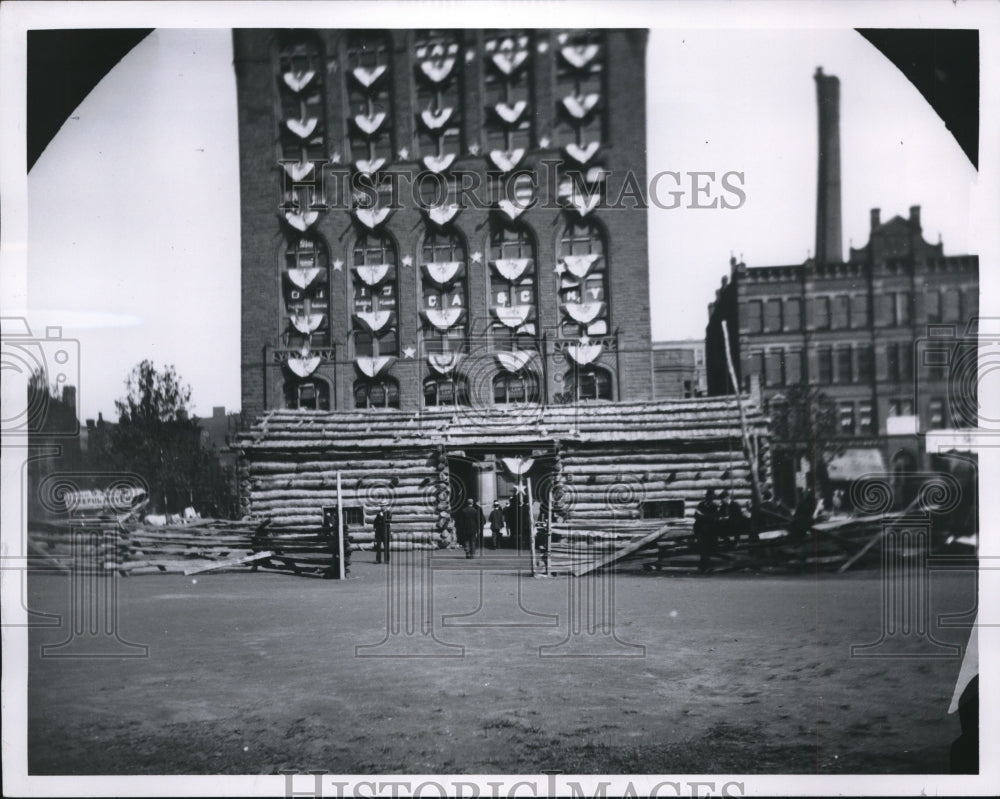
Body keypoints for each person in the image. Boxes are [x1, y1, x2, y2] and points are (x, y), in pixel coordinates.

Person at [693, 488, 719, 573]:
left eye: (711, 497)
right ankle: (703, 567)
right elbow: (696, 515)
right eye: (708, 497)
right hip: (700, 529)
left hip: (710, 530)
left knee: (707, 548)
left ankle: (706, 566)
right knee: (702, 548)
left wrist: (702, 515)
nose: (709, 498)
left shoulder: (714, 506)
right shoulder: (701, 504)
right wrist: (702, 516)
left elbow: (713, 518)